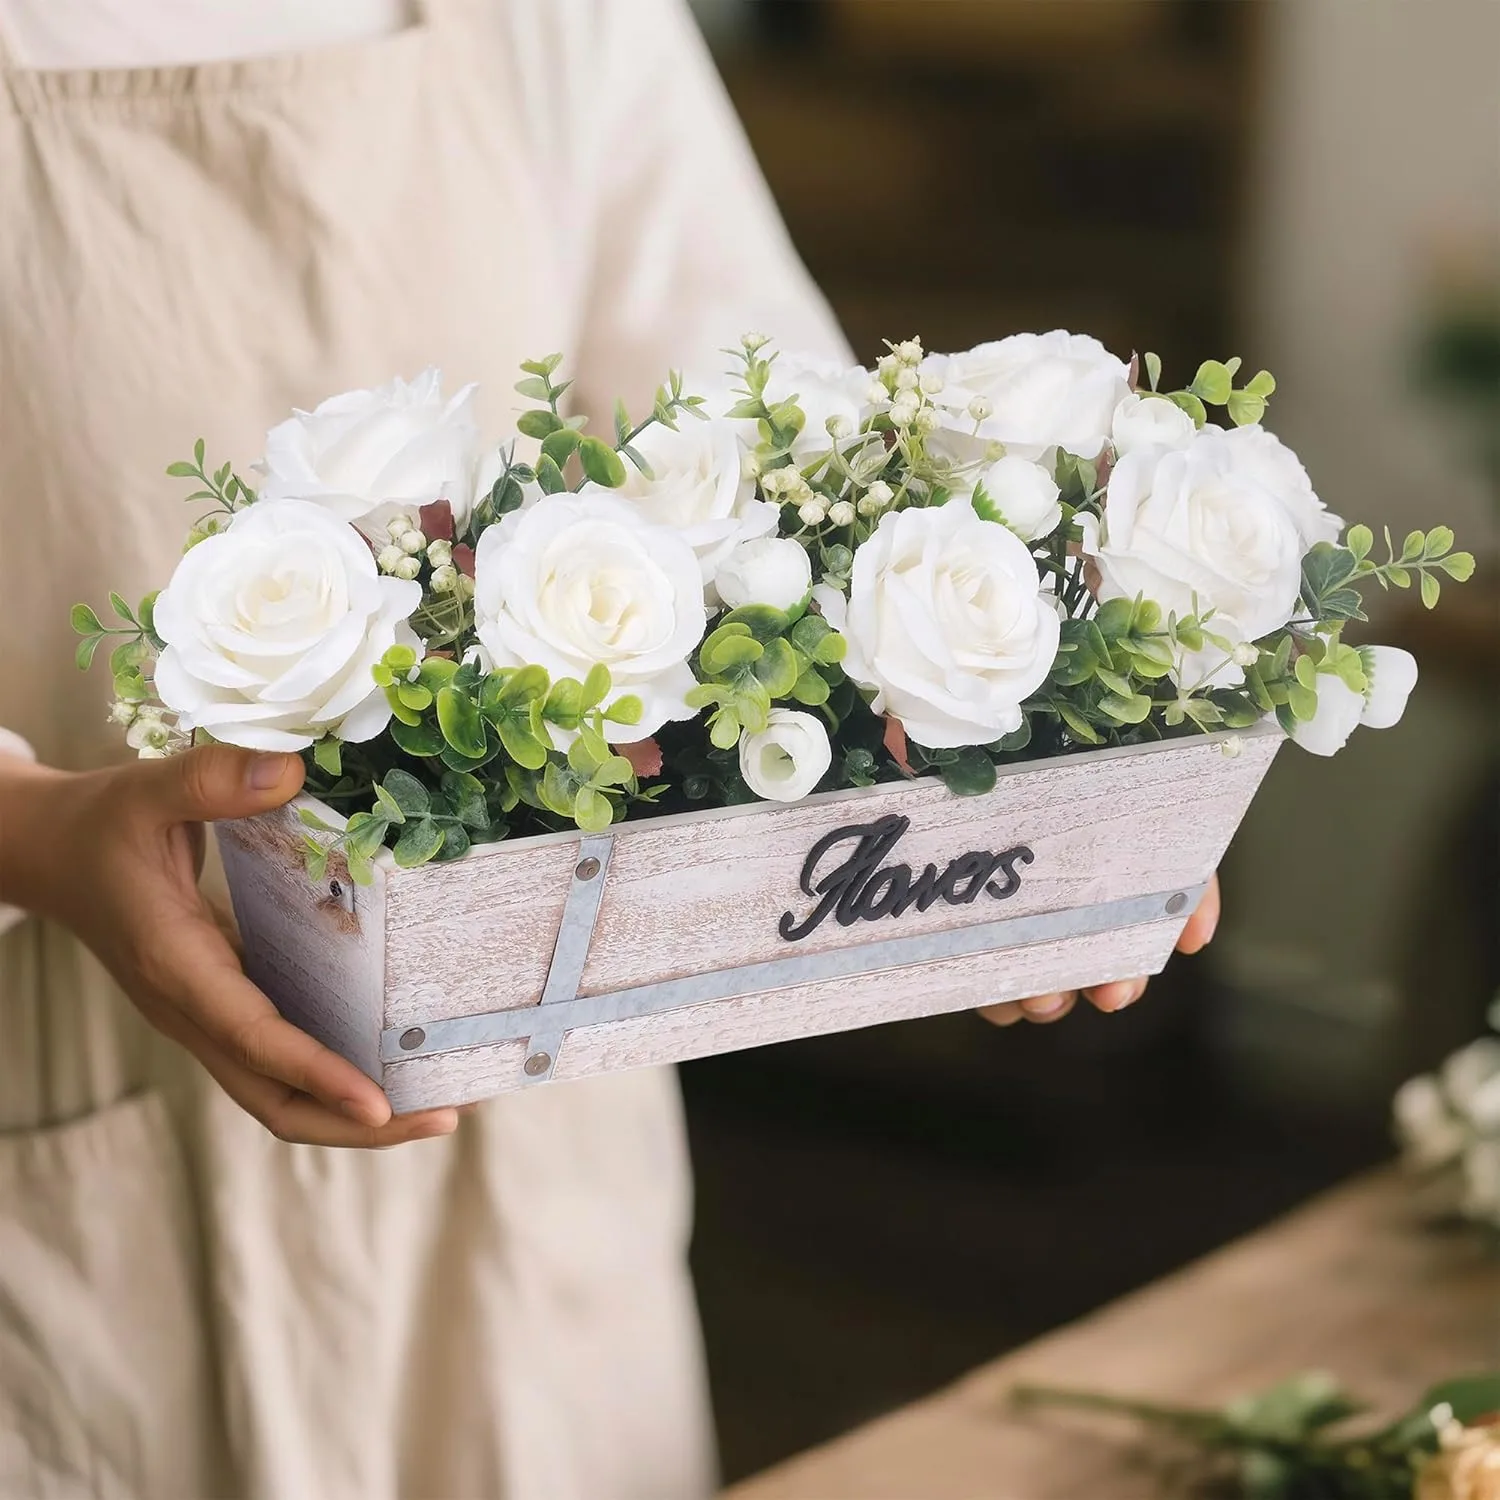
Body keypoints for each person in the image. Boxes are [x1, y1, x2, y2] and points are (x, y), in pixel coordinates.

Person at [0, 3, 1219, 1496]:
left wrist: (991, 786)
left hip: (527, 1114)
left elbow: (767, 449)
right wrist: (35, 828)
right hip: (60, 1105)